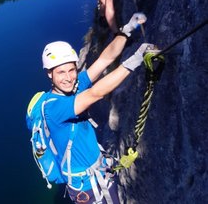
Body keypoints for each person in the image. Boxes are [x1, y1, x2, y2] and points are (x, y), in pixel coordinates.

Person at [39, 12, 153, 203]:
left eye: (71, 70)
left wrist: (127, 30)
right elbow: (95, 94)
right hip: (86, 188)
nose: (68, 77)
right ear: (49, 74)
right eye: (60, 73)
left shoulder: (74, 86)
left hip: (101, 173)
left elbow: (104, 60)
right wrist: (135, 60)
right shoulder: (53, 108)